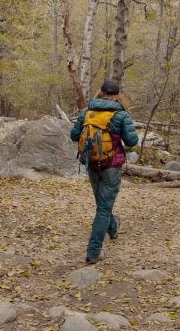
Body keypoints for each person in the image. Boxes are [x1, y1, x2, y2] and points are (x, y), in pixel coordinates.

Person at [69, 79, 139, 265]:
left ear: (101, 93)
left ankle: (113, 228)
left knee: (103, 204)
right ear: (118, 95)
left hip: (92, 164)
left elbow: (74, 135)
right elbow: (132, 142)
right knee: (103, 207)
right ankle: (93, 252)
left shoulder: (87, 112)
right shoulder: (121, 115)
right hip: (111, 165)